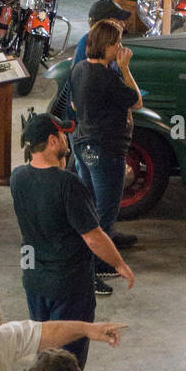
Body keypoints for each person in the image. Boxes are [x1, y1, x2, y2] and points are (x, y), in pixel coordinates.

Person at [11, 115, 133, 371]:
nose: (68, 140)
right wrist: (118, 263)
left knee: (44, 348)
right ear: (53, 141)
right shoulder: (68, 184)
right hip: (69, 284)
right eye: (64, 136)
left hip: (34, 281)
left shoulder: (17, 177)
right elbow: (93, 236)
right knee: (68, 360)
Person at [69, 19, 143, 296]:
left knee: (88, 206)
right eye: (118, 44)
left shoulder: (78, 69)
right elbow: (136, 100)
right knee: (106, 209)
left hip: (83, 144)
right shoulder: (107, 76)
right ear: (108, 45)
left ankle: (95, 257)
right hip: (106, 149)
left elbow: (75, 104)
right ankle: (93, 268)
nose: (121, 48)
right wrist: (124, 68)